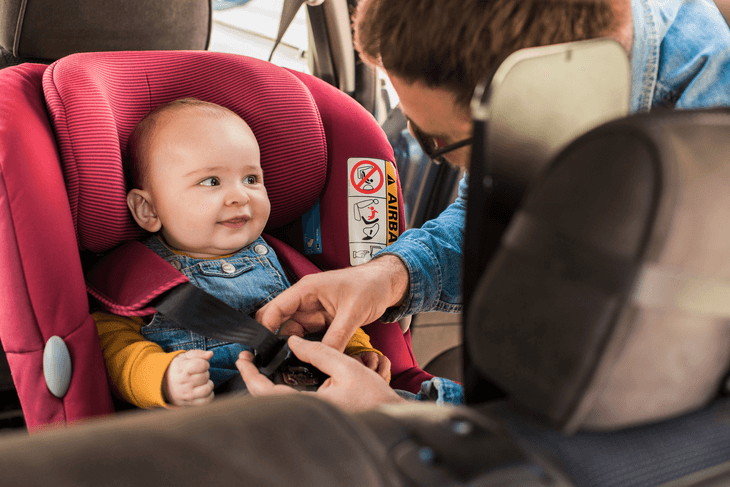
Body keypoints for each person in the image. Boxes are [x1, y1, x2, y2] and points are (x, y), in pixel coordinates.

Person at [242, 0, 730, 407]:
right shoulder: (554, 69)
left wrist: (403, 418)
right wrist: (391, 276)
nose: (439, 160)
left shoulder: (712, 162)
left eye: (439, 142)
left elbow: (656, 432)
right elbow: (498, 209)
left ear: (543, 97)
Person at [93, 98, 390, 408]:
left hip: (314, 398)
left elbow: (326, 313)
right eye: (211, 182)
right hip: (222, 419)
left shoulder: (284, 260)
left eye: (251, 179)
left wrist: (356, 351)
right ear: (149, 209)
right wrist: (163, 377)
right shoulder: (135, 280)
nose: (239, 196)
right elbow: (114, 348)